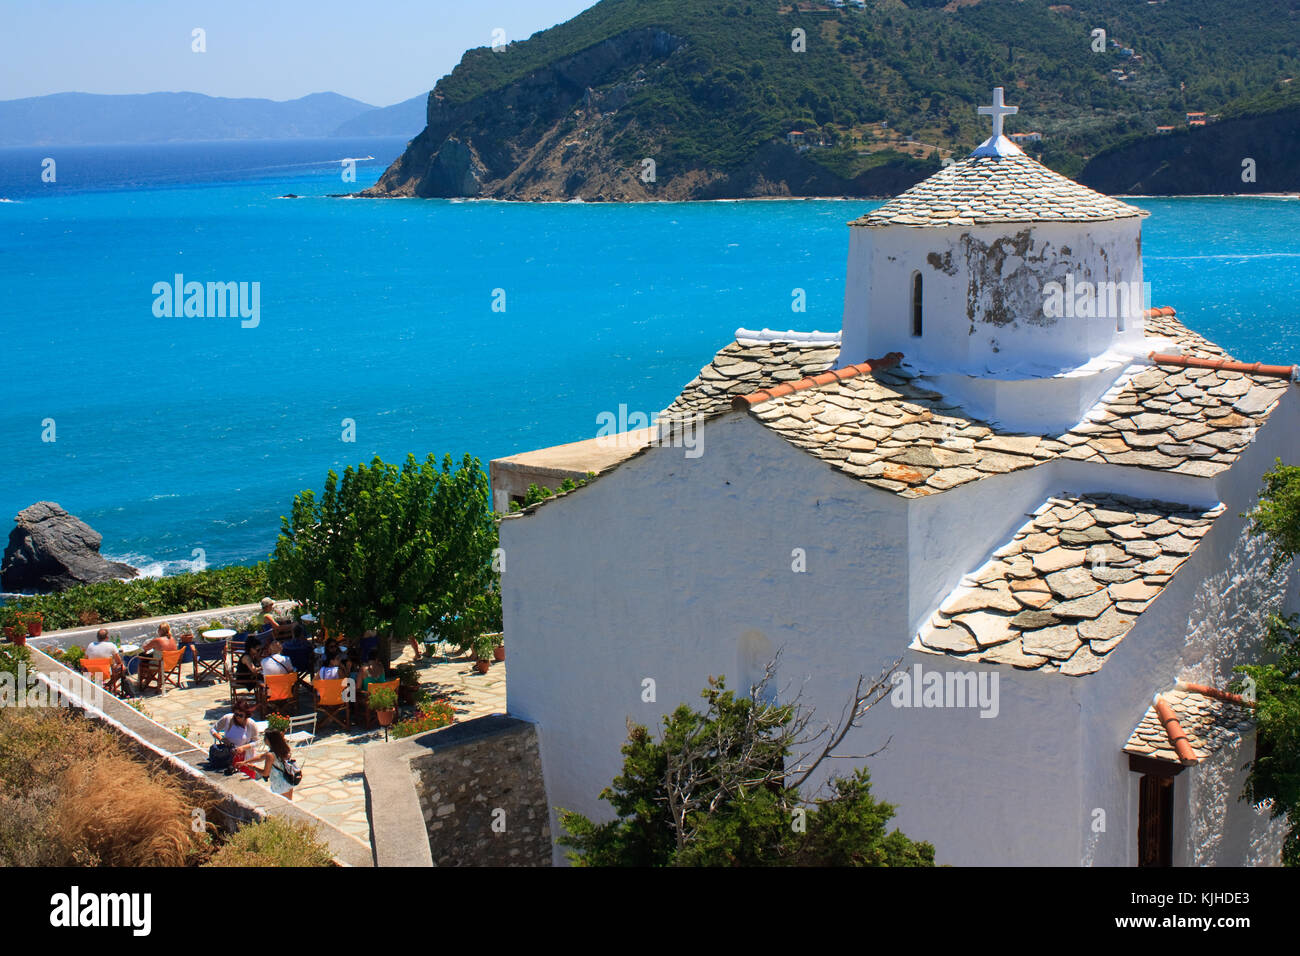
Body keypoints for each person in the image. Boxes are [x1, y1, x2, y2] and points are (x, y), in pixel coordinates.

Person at [249, 729, 298, 800]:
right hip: (288, 780)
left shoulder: (270, 755)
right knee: (289, 802)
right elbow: (261, 757)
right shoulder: (283, 749)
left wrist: (254, 768)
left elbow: (265, 773)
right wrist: (246, 762)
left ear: (269, 740)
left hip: (279, 784)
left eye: (265, 738)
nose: (264, 739)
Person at [85, 628, 134, 698]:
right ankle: (108, 685)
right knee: (123, 668)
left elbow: (86, 659)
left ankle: (105, 686)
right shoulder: (111, 645)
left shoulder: (90, 645)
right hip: (105, 673)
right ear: (107, 637)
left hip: (92, 673)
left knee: (112, 668)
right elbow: (119, 662)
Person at [211, 702, 259, 766]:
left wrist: (243, 748)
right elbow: (213, 730)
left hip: (245, 758)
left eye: (241, 715)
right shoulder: (228, 718)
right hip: (228, 756)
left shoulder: (251, 724)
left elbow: (256, 742)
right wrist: (221, 738)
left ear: (246, 715)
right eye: (236, 714)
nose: (238, 717)